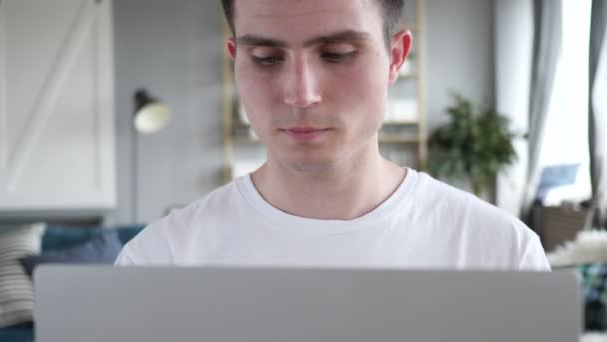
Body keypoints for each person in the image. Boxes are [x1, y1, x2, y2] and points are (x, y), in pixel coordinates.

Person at [115, 0, 550, 270]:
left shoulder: (501, 255)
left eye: (337, 55)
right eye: (267, 58)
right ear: (236, 60)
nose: (301, 93)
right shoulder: (156, 264)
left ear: (395, 58)